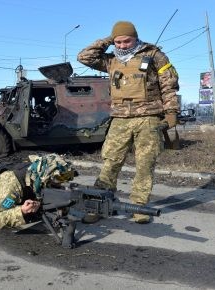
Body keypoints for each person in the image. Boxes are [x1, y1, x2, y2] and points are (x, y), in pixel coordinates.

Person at [77, 21, 180, 224]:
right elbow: (84, 57)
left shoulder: (154, 55)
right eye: (118, 41)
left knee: (145, 164)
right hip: (120, 118)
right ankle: (100, 204)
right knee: (110, 162)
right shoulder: (110, 59)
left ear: (136, 37)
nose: (122, 45)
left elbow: (169, 85)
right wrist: (107, 40)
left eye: (127, 41)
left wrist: (171, 113)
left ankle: (139, 207)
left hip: (148, 117)